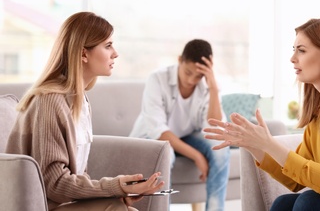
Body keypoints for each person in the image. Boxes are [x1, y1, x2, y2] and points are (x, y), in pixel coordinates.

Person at [204, 18, 320, 210]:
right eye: (294, 50)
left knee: (310, 202)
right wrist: (254, 145)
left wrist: (269, 142)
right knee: (283, 204)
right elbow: (293, 181)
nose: (293, 58)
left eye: (301, 50)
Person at [5, 11, 164, 211]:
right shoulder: (49, 101)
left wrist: (117, 195)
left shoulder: (80, 101)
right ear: (83, 53)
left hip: (63, 204)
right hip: (42, 206)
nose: (115, 53)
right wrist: (115, 187)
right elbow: (53, 184)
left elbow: (77, 178)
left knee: (123, 208)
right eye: (107, 46)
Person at [130, 39, 230, 211]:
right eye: (188, 72)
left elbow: (214, 128)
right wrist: (197, 156)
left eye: (198, 75)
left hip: (186, 136)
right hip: (151, 137)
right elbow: (158, 130)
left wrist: (213, 88)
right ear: (179, 60)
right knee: (166, 154)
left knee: (220, 149)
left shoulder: (205, 85)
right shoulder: (157, 79)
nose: (192, 80)